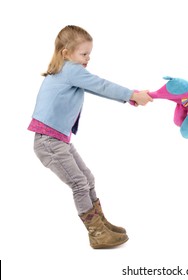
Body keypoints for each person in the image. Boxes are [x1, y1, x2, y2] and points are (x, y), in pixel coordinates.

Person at [28, 25, 153, 249]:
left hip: (57, 140)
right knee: (79, 183)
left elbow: (95, 89)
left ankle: (101, 225)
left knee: (87, 178)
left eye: (89, 54)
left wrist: (129, 98)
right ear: (66, 53)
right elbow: (100, 85)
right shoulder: (70, 70)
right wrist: (132, 94)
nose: (88, 58)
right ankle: (96, 233)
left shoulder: (67, 71)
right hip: (49, 142)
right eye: (83, 54)